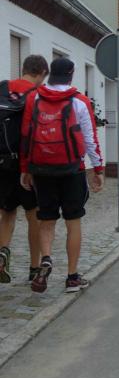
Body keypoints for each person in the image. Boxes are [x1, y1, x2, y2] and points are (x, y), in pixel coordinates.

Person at [19, 57, 104, 293]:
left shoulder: (34, 98)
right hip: (72, 169)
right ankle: (72, 277)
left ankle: (46, 258)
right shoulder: (80, 101)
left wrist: (25, 169)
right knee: (72, 222)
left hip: (42, 169)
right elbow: (90, 139)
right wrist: (98, 169)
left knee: (46, 220)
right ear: (71, 74)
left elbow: (26, 135)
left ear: (50, 74)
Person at [0, 55, 49, 283]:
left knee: (7, 213)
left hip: (2, 164)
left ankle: (2, 255)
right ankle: (34, 267)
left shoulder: (3, 88)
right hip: (27, 166)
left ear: (24, 69)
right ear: (41, 73)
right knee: (33, 216)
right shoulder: (38, 95)